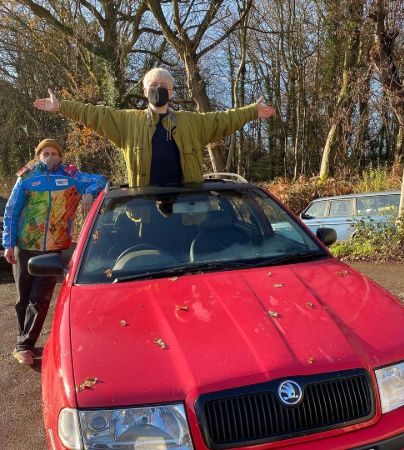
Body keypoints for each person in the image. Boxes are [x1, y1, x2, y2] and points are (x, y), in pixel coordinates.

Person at [34, 68, 276, 187]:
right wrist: (61, 106)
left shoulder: (191, 122)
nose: (157, 88)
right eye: (152, 84)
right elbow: (95, 114)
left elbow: (223, 119)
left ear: (171, 92)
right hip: (145, 210)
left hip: (187, 208)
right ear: (144, 90)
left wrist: (252, 111)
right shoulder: (127, 121)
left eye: (163, 85)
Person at [3, 139, 106, 365]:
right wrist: (8, 243)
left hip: (53, 249)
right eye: (46, 153)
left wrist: (89, 193)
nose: (50, 157)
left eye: (54, 153)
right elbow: (12, 211)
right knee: (22, 298)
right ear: (39, 156)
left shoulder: (71, 176)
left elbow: (101, 180)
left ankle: (25, 345)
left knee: (40, 299)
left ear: (60, 156)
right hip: (25, 246)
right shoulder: (27, 177)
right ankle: (23, 341)